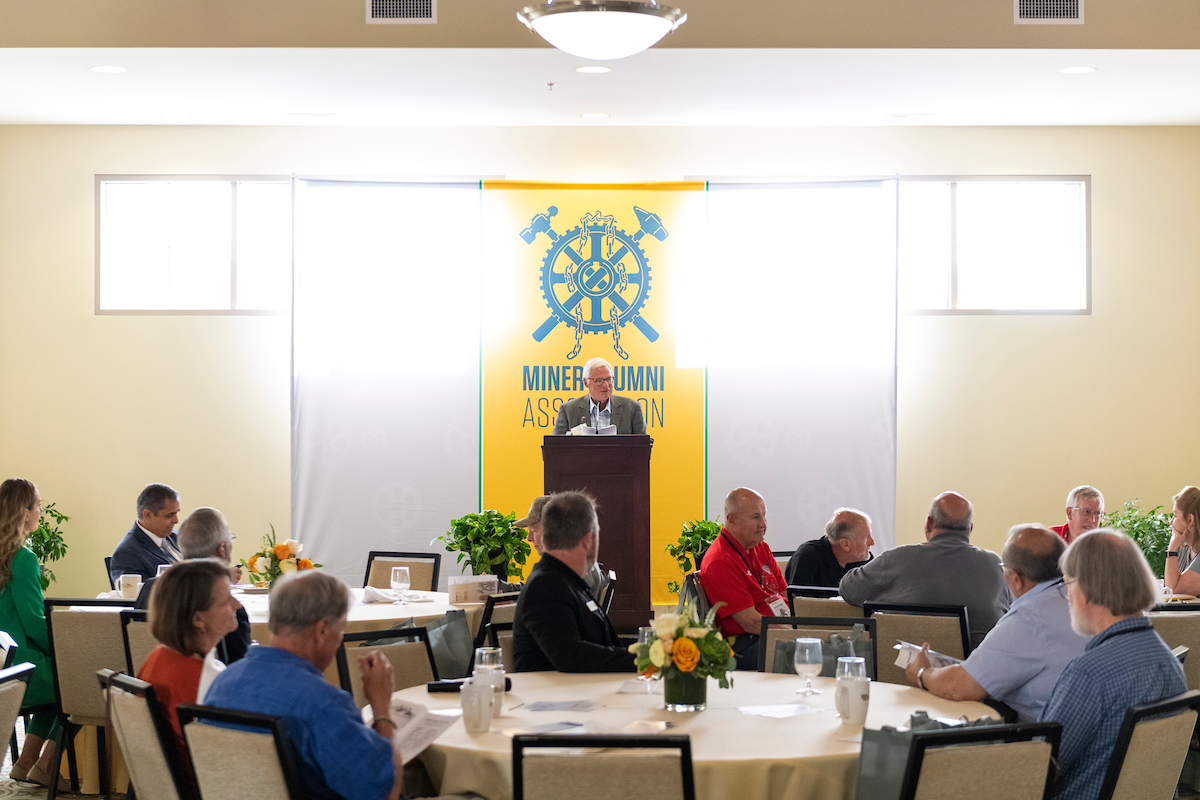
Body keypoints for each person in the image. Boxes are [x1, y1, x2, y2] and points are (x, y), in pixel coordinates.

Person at [204, 571, 403, 800]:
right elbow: (386, 794)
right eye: (341, 631)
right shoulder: (322, 703)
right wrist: (381, 707)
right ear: (322, 630)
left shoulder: (222, 684)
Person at [1040, 529, 1186, 800]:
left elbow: (1038, 769)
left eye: (1067, 585)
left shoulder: (1089, 674)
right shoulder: (1169, 662)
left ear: (1086, 589)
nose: (1067, 597)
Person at [903, 524, 1088, 721]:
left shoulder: (1029, 619)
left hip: (1039, 740)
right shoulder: (1081, 600)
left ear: (1017, 579)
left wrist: (923, 673)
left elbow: (961, 687)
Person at [839, 491, 1010, 650]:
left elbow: (849, 589)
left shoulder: (897, 559)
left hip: (903, 674)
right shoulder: (996, 565)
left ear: (928, 523)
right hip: (973, 677)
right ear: (970, 529)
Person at [512, 491, 634, 672]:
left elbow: (600, 642)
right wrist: (643, 659)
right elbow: (571, 656)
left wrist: (651, 649)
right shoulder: (545, 586)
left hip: (574, 691)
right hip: (556, 696)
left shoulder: (567, 579)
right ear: (588, 539)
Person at [0, 478, 68, 790]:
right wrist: (65, 650)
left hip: (4, 660)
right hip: (19, 664)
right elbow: (35, 623)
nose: (41, 511)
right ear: (25, 512)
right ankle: (46, 765)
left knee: (61, 679)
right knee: (83, 682)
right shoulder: (22, 558)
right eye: (38, 505)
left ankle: (26, 763)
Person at [138, 558, 241, 758]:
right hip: (206, 784)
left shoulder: (157, 658)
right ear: (198, 619)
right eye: (227, 600)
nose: (237, 604)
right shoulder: (210, 682)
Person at [136, 506, 251, 663]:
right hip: (203, 684)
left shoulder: (150, 588)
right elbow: (238, 669)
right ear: (222, 549)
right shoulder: (226, 609)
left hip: (153, 676)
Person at [699, 487, 789, 670]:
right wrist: (800, 634)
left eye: (764, 516)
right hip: (744, 644)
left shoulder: (761, 548)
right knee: (817, 651)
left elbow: (787, 594)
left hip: (776, 631)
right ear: (731, 519)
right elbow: (751, 622)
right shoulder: (720, 561)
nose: (763, 524)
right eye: (756, 517)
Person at [110, 482, 183, 584]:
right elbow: (137, 595)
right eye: (170, 515)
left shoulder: (178, 537)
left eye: (176, 513)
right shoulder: (127, 553)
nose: (176, 520)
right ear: (148, 515)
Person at [552, 356, 646, 435]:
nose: (606, 385)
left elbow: (642, 448)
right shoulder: (568, 410)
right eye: (599, 380)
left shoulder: (631, 408)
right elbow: (555, 448)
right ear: (586, 383)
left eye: (609, 379)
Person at [784, 508, 874, 587]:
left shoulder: (864, 559)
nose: (872, 543)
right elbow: (800, 604)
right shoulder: (807, 557)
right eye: (866, 538)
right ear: (845, 544)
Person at [1163, 486, 1200, 595]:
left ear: (1190, 520)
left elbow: (1173, 591)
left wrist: (1172, 548)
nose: (1171, 522)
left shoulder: (1176, 548)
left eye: (1175, 515)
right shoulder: (1184, 548)